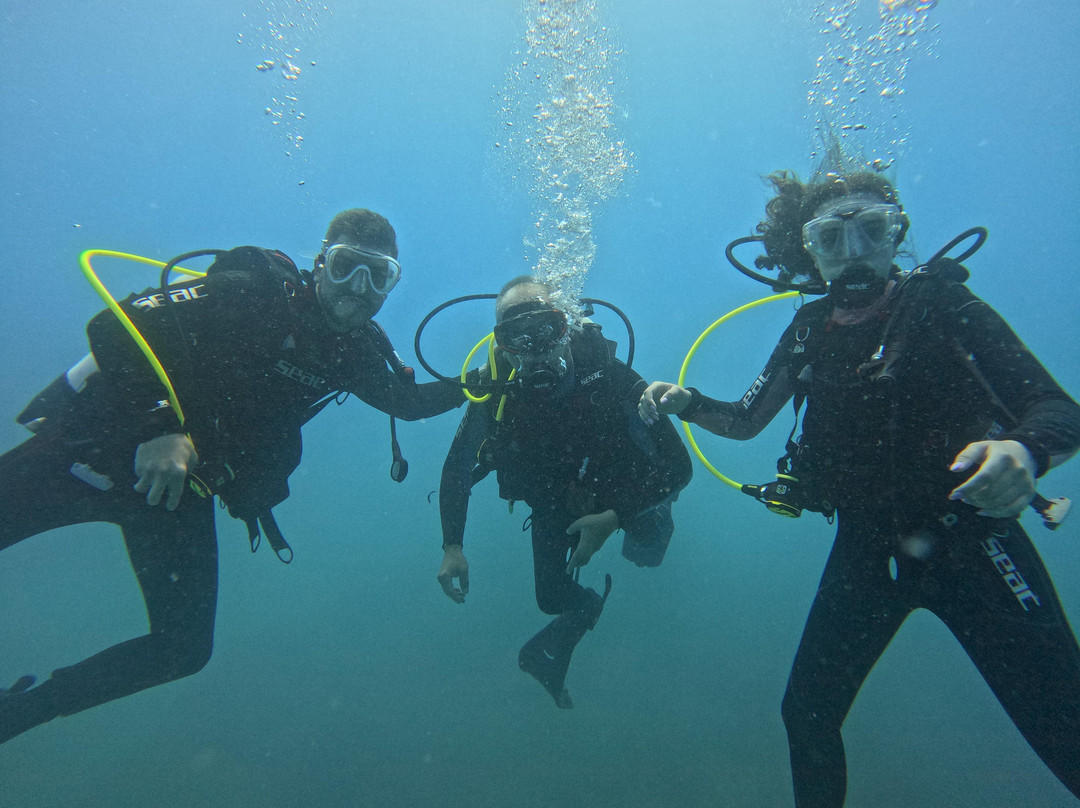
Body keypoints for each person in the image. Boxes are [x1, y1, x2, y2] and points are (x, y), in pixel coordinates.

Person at [639, 170, 1080, 805]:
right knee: (806, 714)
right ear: (807, 251)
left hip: (974, 541)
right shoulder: (808, 329)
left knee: (1065, 728)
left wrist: (1024, 448)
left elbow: (1055, 410)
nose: (852, 253)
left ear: (897, 237)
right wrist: (686, 402)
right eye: (829, 237)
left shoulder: (948, 308)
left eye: (872, 230)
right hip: (866, 549)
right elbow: (743, 420)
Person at [0, 209, 470, 745]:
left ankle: (23, 711)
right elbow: (114, 324)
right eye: (346, 267)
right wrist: (161, 426)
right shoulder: (248, 293)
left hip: (172, 493)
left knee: (182, 650)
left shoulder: (355, 350)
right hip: (87, 455)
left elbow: (404, 403)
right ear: (320, 265)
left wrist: (482, 383)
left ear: (391, 284)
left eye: (378, 275)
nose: (359, 289)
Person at [436, 277, 693, 708]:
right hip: (557, 499)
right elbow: (457, 468)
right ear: (502, 344)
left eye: (546, 330)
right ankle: (561, 637)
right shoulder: (495, 388)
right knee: (550, 598)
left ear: (567, 327)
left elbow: (678, 467)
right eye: (515, 337)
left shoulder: (608, 375)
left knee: (645, 552)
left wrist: (616, 517)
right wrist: (452, 546)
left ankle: (645, 521)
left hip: (622, 488)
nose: (534, 348)